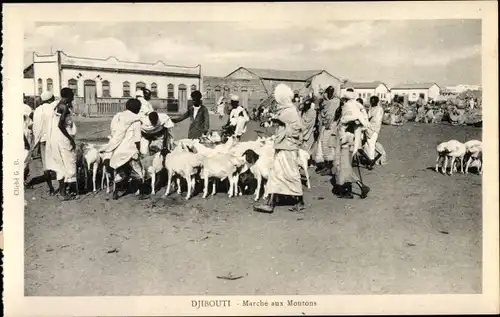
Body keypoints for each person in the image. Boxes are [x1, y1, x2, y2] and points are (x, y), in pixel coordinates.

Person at [254, 84, 305, 214]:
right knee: (276, 174)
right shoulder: (287, 110)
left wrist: (276, 119)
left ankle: (298, 200)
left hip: (287, 148)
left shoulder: (290, 111)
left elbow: (294, 127)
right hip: (284, 147)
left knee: (290, 174)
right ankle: (271, 202)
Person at [101, 98, 145, 200]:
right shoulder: (136, 121)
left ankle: (115, 193)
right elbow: (137, 139)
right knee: (138, 171)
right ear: (137, 108)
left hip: (118, 150)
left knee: (120, 172)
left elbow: (114, 132)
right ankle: (141, 193)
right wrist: (139, 151)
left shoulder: (118, 117)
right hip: (130, 150)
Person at [333, 88, 370, 199]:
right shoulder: (354, 109)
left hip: (345, 143)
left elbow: (346, 120)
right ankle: (348, 188)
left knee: (345, 167)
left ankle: (358, 187)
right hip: (350, 142)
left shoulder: (347, 112)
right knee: (345, 166)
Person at [45, 88, 78, 201]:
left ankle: (63, 191)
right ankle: (64, 192)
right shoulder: (64, 108)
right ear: (68, 96)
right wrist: (71, 139)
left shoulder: (59, 105)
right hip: (64, 139)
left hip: (58, 138)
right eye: (72, 95)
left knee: (61, 165)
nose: (73, 97)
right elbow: (60, 125)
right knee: (69, 164)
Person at [31, 91, 58, 194]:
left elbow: (36, 128)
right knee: (57, 161)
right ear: (51, 99)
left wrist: (36, 141)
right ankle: (63, 187)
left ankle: (51, 188)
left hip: (43, 140)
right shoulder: (54, 108)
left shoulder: (38, 110)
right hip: (54, 138)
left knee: (45, 164)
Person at [316, 86, 341, 176]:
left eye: (332, 91)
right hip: (324, 125)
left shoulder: (337, 101)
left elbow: (338, 113)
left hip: (333, 126)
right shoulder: (324, 101)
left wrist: (333, 122)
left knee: (329, 145)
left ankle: (330, 168)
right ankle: (326, 166)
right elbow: (321, 112)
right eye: (329, 91)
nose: (330, 93)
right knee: (323, 144)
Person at [362, 96, 384, 168]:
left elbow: (376, 120)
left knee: (371, 144)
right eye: (371, 101)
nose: (372, 102)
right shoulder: (371, 109)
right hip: (369, 128)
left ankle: (371, 160)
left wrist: (368, 121)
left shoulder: (379, 109)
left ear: (377, 101)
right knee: (367, 145)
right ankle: (369, 159)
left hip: (374, 129)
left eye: (373, 101)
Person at [299, 96, 317, 164]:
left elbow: (306, 123)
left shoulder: (312, 112)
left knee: (308, 147)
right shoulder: (304, 111)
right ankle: (306, 162)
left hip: (308, 132)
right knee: (305, 147)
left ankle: (308, 162)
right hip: (305, 132)